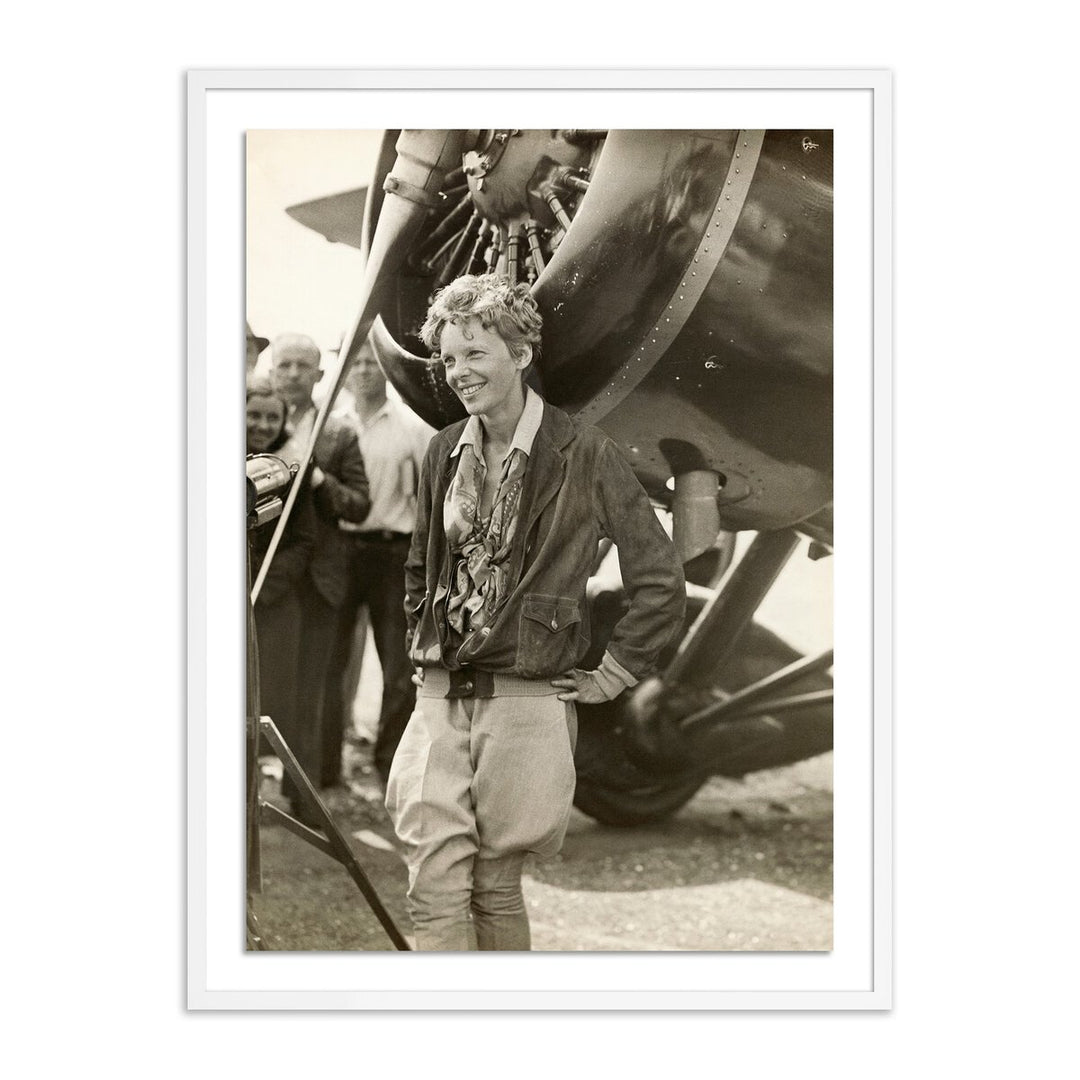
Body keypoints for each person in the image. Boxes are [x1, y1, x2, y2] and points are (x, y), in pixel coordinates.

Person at [385, 275, 686, 951]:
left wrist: (613, 674)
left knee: (495, 888)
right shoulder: (444, 450)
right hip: (438, 699)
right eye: (450, 357)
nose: (458, 372)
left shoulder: (584, 453)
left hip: (526, 704)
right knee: (431, 889)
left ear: (520, 353)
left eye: (475, 354)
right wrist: (420, 646)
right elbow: (418, 568)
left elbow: (658, 577)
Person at [321, 340, 435, 787]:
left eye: (372, 361)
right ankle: (325, 769)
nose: (365, 370)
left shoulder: (412, 426)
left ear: (386, 368)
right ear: (344, 371)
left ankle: (392, 769)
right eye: (357, 363)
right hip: (341, 552)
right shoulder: (330, 426)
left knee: (399, 666)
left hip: (393, 553)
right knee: (331, 662)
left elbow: (432, 493)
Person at [269, 333, 371, 804]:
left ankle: (305, 795)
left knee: (312, 689)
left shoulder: (339, 433)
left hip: (319, 581)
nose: (292, 374)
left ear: (319, 374)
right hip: (265, 579)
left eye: (302, 366)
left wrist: (318, 480)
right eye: (284, 365)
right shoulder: (250, 422)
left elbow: (359, 505)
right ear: (271, 371)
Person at [245, 376, 316, 816]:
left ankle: (293, 797)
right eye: (253, 414)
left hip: (273, 602)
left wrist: (264, 587)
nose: (262, 424)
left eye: (273, 417)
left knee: (276, 700)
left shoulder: (292, 467)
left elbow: (304, 541)